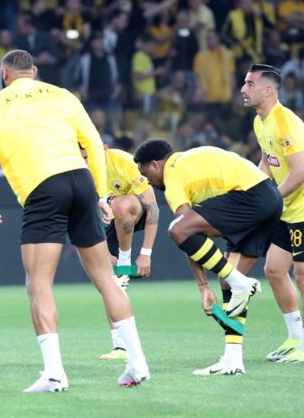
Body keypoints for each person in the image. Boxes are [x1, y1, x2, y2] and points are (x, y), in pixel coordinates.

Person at [0, 50, 150, 392]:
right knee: (106, 278)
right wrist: (101, 194)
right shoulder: (62, 95)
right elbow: (94, 143)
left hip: (44, 187)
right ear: (34, 71)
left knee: (38, 283)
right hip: (81, 180)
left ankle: (54, 374)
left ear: (4, 75)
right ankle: (137, 362)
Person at [134, 140, 280, 375]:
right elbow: (194, 237)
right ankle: (233, 361)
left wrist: (202, 285)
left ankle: (240, 282)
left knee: (176, 229)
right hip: (270, 197)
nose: (147, 181)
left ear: (155, 164)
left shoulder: (173, 177)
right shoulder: (189, 161)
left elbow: (184, 232)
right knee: (229, 284)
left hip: (251, 196)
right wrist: (204, 286)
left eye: (145, 174)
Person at [244, 64, 304, 363]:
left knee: (302, 276)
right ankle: (296, 338)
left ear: (268, 90)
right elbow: (268, 161)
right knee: (274, 270)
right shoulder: (260, 121)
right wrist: (254, 190)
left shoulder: (285, 122)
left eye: (250, 84)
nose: (243, 89)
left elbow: (301, 170)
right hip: (286, 210)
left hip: (302, 210)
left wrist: (272, 199)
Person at [93, 146, 160, 361]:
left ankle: (124, 260)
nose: (85, 159)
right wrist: (102, 251)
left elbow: (153, 209)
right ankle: (120, 347)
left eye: (87, 153)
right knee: (106, 280)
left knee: (120, 204)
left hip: (132, 211)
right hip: (104, 223)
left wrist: (146, 253)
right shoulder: (77, 170)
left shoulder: (123, 162)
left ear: (103, 148)